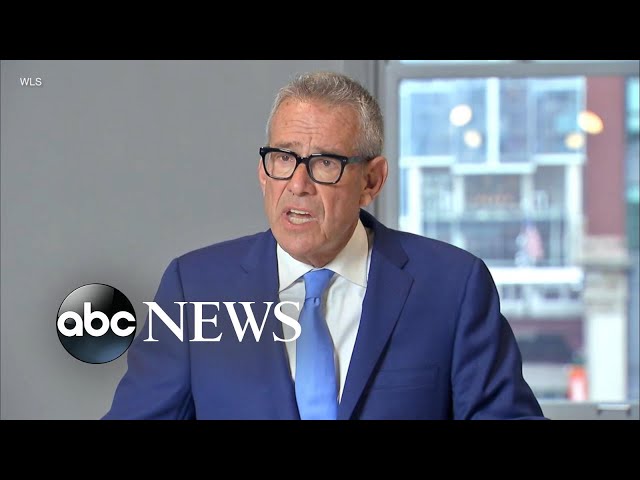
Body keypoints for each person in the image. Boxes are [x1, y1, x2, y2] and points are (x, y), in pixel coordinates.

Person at [103, 71, 546, 420]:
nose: (298, 184)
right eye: (283, 158)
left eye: (325, 163)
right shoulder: (195, 287)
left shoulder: (452, 287)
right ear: (263, 173)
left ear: (371, 180)